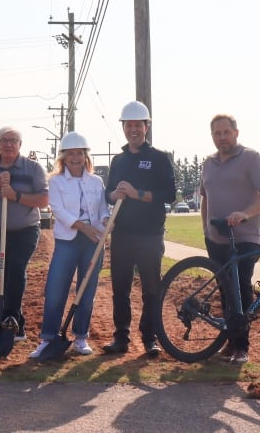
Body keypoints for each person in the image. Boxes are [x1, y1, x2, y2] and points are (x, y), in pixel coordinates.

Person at [200, 114, 260, 364]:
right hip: (217, 238)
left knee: (241, 286)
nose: (222, 137)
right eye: (217, 134)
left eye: (226, 132)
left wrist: (245, 213)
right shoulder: (208, 164)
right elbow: (205, 199)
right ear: (212, 137)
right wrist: (205, 230)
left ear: (236, 133)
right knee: (224, 290)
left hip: (246, 236)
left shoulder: (251, 158)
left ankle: (242, 346)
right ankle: (230, 342)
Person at [103, 100, 176, 357]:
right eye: (128, 125)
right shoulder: (118, 160)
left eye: (138, 125)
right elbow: (108, 195)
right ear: (123, 127)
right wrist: (116, 194)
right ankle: (120, 337)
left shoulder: (159, 158)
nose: (133, 129)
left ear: (146, 127)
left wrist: (137, 193)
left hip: (149, 234)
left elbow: (169, 194)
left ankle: (149, 338)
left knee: (151, 289)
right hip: (122, 233)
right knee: (120, 289)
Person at [29, 131, 110, 359]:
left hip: (94, 242)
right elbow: (58, 210)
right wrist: (83, 227)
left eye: (79, 153)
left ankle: (80, 337)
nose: (75, 157)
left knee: (87, 291)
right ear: (63, 157)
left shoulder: (96, 181)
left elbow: (103, 208)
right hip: (67, 241)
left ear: (86, 156)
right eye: (70, 153)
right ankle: (48, 338)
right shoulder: (55, 181)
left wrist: (105, 220)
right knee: (56, 290)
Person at [0, 126, 49, 341]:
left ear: (20, 144)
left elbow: (43, 200)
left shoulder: (32, 168)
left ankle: (10, 319)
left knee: (15, 268)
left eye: (13, 140)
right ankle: (15, 323)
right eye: (4, 140)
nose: (8, 144)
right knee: (4, 275)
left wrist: (15, 195)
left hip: (26, 230)